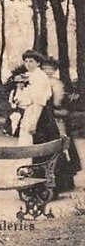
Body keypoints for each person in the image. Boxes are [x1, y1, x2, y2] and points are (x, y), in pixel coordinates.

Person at [40, 56, 80, 194]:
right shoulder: (40, 82)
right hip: (45, 120)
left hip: (57, 120)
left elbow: (58, 104)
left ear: (54, 70)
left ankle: (64, 181)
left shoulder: (57, 84)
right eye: (44, 68)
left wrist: (54, 110)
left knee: (60, 146)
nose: (47, 71)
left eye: (50, 68)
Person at [11, 50, 52, 146]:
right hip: (26, 112)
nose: (28, 64)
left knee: (35, 141)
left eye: (31, 61)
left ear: (38, 63)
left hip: (37, 113)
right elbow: (19, 97)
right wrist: (20, 89)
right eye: (26, 61)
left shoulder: (40, 77)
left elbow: (39, 102)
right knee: (25, 140)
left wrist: (34, 122)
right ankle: (25, 160)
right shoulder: (27, 76)